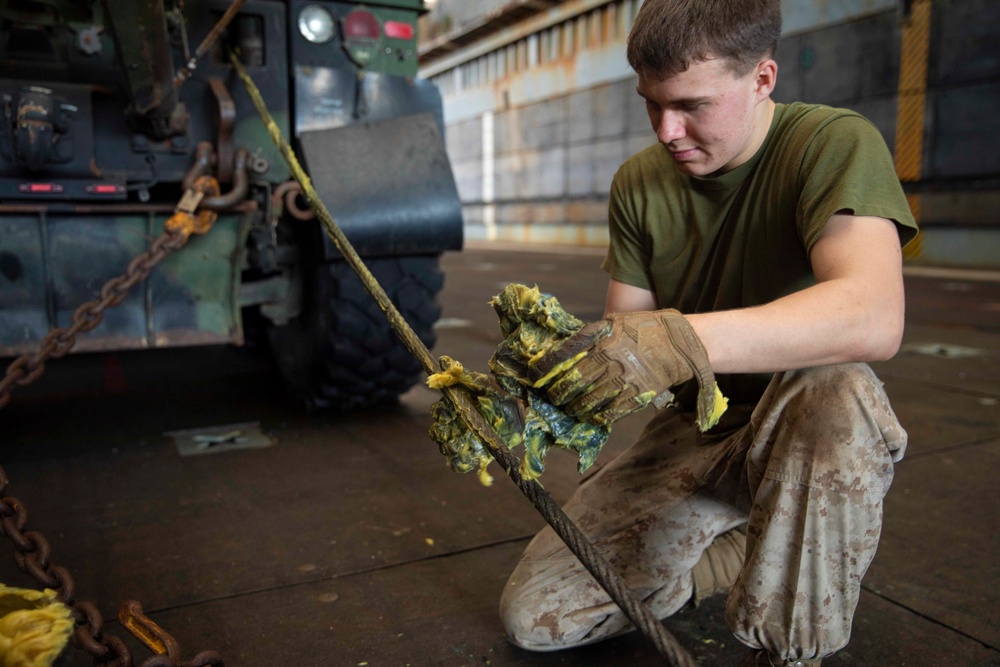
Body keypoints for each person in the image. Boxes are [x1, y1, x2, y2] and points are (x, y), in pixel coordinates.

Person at [497, 0, 918, 665]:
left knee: (837, 393)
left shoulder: (831, 143)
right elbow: (627, 344)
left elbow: (871, 314)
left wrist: (677, 340)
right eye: (651, 104)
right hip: (692, 429)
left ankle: (790, 647)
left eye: (692, 104)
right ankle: (738, 549)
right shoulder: (639, 183)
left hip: (798, 425)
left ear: (762, 79)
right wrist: (538, 390)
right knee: (539, 617)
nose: (667, 130)